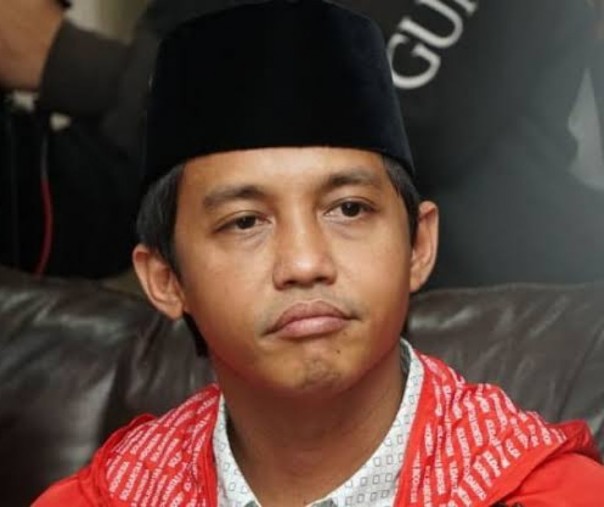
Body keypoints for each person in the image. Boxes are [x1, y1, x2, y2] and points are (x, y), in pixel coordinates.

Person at [32, 2, 604, 505]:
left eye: (349, 209)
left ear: (418, 244)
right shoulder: (100, 500)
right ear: (165, 279)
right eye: (245, 222)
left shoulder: (554, 496)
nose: (305, 263)